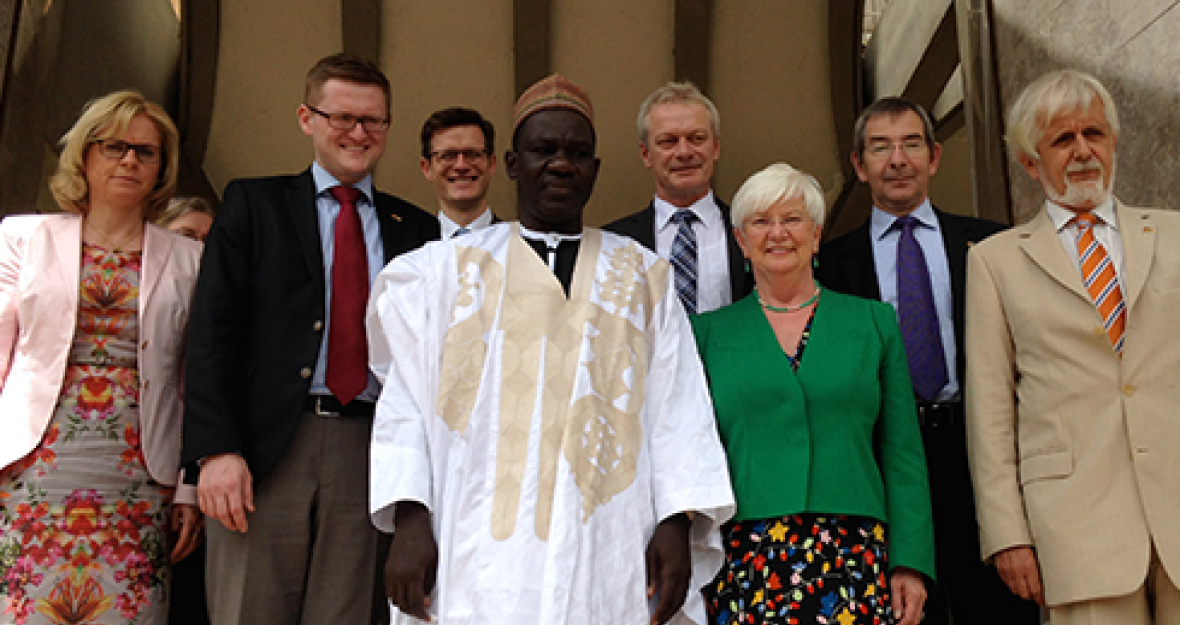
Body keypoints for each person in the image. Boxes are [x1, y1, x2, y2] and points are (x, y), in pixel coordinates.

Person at [367, 74, 734, 625]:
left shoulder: (642, 275)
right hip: (477, 547)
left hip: (606, 541)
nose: (561, 163)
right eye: (544, 150)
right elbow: (407, 404)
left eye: (577, 153)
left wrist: (677, 521)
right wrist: (411, 518)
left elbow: (677, 407)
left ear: (595, 170)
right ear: (512, 164)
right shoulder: (440, 276)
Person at [181, 53, 437, 625]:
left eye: (373, 120)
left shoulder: (417, 229)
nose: (358, 133)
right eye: (341, 117)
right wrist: (215, 451)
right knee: (250, 609)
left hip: (369, 450)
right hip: (266, 450)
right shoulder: (253, 205)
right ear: (306, 118)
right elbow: (212, 332)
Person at [967, 68, 1180, 624]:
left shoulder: (1177, 234)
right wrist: (1006, 533)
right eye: (1063, 139)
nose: (1083, 151)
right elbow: (990, 413)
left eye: (1095, 134)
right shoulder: (994, 261)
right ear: (1030, 162)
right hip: (1076, 526)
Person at [815, 98, 1037, 625]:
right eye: (880, 147)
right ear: (858, 164)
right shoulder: (829, 264)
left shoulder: (991, 243)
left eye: (911, 144)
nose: (897, 159)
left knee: (1001, 610)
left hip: (978, 454)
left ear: (934, 157)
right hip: (886, 462)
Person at [692, 162, 935, 625]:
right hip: (746, 555)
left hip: (855, 550)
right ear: (741, 241)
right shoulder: (706, 335)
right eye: (761, 222)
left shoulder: (873, 323)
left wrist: (910, 562)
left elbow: (902, 453)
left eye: (792, 219)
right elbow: (692, 455)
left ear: (817, 234)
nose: (777, 233)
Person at [0, 90, 203, 624]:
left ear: (161, 168)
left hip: (139, 471)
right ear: (84, 156)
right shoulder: (24, 237)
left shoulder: (190, 258)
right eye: (114, 147)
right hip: (35, 464)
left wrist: (188, 486)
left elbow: (191, 380)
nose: (130, 160)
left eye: (146, 151)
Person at [605, 82, 751, 314]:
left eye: (696, 138)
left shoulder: (751, 234)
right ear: (646, 154)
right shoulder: (613, 243)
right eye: (668, 141)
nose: (684, 152)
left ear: (716, 148)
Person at [419, 107, 499, 238]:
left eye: (472, 154)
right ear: (427, 168)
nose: (461, 165)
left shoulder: (520, 245)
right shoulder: (409, 248)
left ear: (492, 164)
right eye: (448, 155)